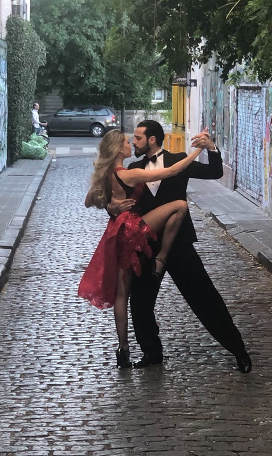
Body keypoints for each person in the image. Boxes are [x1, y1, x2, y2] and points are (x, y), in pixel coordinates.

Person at [107, 120, 252, 373]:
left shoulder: (179, 159)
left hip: (179, 244)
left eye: (138, 138)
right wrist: (111, 208)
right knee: (140, 304)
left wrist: (212, 148)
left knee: (205, 297)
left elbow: (214, 173)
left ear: (152, 139)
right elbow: (116, 204)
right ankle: (152, 353)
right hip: (146, 246)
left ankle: (238, 349)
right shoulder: (135, 167)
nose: (134, 142)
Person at [78, 130, 208, 369]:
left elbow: (88, 201)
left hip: (115, 232)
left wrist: (111, 204)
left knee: (121, 294)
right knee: (179, 206)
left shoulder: (106, 174)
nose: (130, 145)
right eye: (127, 143)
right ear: (118, 149)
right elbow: (171, 171)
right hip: (132, 229)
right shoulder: (130, 174)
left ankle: (123, 349)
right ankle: (162, 256)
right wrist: (199, 150)